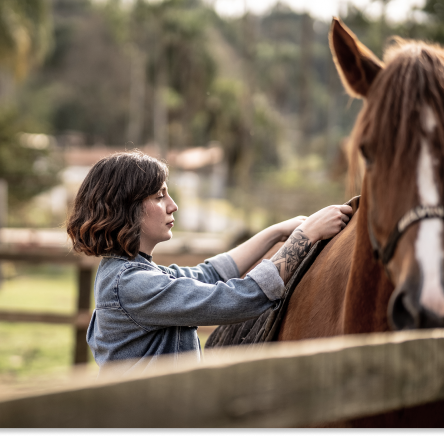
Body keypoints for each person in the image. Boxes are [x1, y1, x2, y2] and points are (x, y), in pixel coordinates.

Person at [66, 150, 352, 375]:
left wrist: (276, 232)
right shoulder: (131, 284)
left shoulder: (134, 273)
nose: (172, 204)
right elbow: (239, 300)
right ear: (126, 208)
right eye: (159, 195)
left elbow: (210, 273)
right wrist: (302, 239)